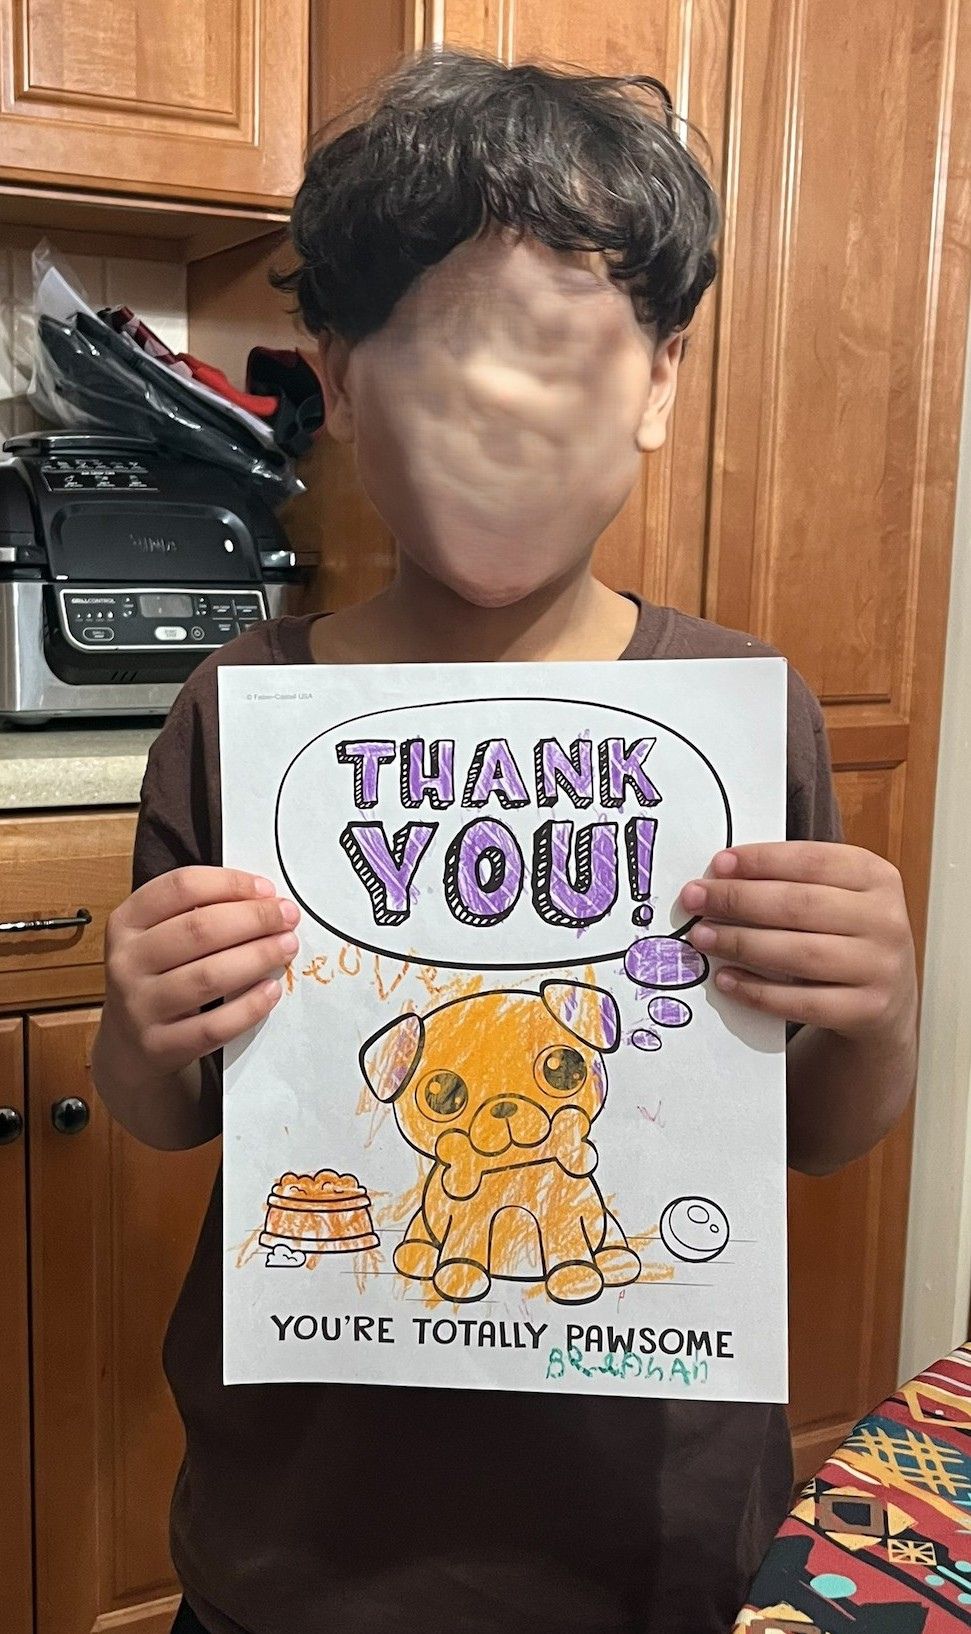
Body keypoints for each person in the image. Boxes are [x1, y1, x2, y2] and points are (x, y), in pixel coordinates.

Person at [90, 47, 919, 1634]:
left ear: (658, 383)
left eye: (559, 355)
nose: (504, 412)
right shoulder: (238, 711)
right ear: (340, 382)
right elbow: (169, 1112)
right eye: (446, 355)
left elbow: (817, 1136)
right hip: (301, 1540)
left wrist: (881, 1005)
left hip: (647, 1536)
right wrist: (139, 1023)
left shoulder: (745, 716)